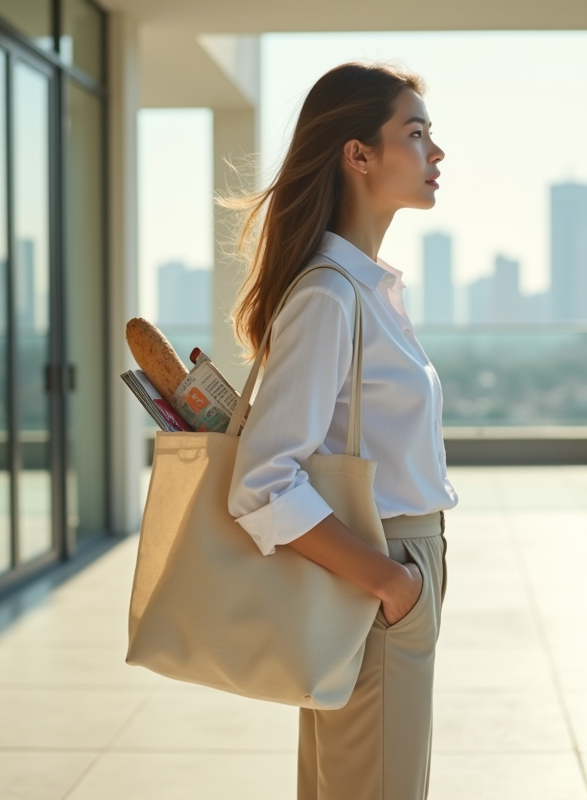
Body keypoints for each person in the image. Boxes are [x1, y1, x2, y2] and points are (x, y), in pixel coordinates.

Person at [226, 62, 459, 800]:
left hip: (393, 570)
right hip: (378, 569)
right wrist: (393, 583)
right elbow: (262, 484)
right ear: (358, 155)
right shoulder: (331, 296)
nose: (437, 154)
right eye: (415, 134)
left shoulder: (366, 289)